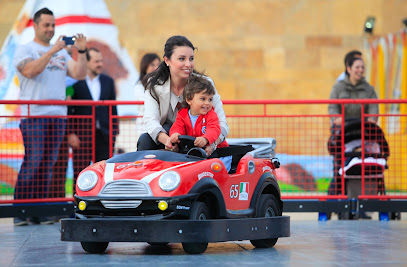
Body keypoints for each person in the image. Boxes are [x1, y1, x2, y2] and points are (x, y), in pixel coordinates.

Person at [13, 7, 87, 226]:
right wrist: (51, 50)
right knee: (33, 161)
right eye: (46, 25)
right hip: (34, 114)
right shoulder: (25, 49)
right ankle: (20, 210)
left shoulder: (62, 52)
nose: (50, 29)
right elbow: (29, 71)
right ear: (35, 26)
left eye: (53, 25)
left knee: (49, 163)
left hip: (58, 116)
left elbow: (80, 73)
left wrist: (81, 52)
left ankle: (41, 210)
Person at [137, 35, 229, 154]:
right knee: (145, 140)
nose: (188, 64)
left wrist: (210, 143)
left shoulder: (205, 84)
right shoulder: (154, 85)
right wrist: (167, 141)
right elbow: (150, 120)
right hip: (170, 136)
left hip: (200, 137)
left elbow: (222, 124)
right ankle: (146, 172)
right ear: (167, 60)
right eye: (182, 59)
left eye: (191, 58)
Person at [328, 54, 379, 200]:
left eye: (362, 67)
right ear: (349, 69)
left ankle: (363, 203)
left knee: (365, 167)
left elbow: (374, 109)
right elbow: (332, 108)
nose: (360, 70)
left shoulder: (369, 89)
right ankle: (338, 199)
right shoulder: (338, 88)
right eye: (357, 67)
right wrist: (337, 119)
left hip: (362, 134)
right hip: (343, 134)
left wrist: (372, 120)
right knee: (339, 168)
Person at [67, 47, 119, 191]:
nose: (100, 64)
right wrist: (70, 133)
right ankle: (77, 206)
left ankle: (102, 205)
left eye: (101, 61)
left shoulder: (108, 81)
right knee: (80, 173)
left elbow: (113, 109)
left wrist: (114, 131)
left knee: (105, 173)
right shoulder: (75, 83)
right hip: (82, 137)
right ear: (87, 62)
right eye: (96, 61)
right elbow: (70, 110)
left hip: (105, 135)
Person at [169, 75, 232, 171]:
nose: (207, 103)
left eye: (210, 99)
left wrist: (206, 138)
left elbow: (214, 129)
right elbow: (178, 126)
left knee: (216, 170)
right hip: (197, 154)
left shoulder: (211, 115)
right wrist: (175, 134)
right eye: (203, 99)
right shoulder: (182, 114)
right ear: (189, 100)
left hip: (218, 153)